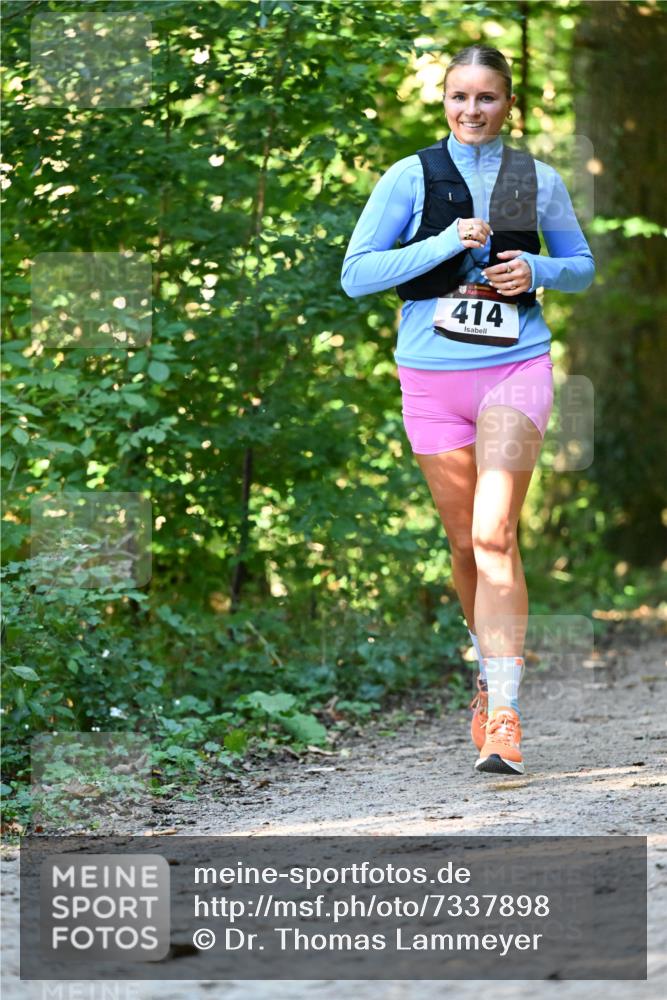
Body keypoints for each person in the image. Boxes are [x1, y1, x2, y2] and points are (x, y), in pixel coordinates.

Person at [341, 44, 594, 775]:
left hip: (515, 368)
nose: (471, 110)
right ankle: (487, 676)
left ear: (507, 103)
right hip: (429, 379)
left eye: (486, 98)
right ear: (444, 101)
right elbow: (357, 275)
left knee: (495, 534)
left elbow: (578, 266)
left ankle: (507, 716)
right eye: (459, 97)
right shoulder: (410, 176)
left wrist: (537, 269)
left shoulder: (533, 179)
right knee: (462, 546)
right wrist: (443, 241)